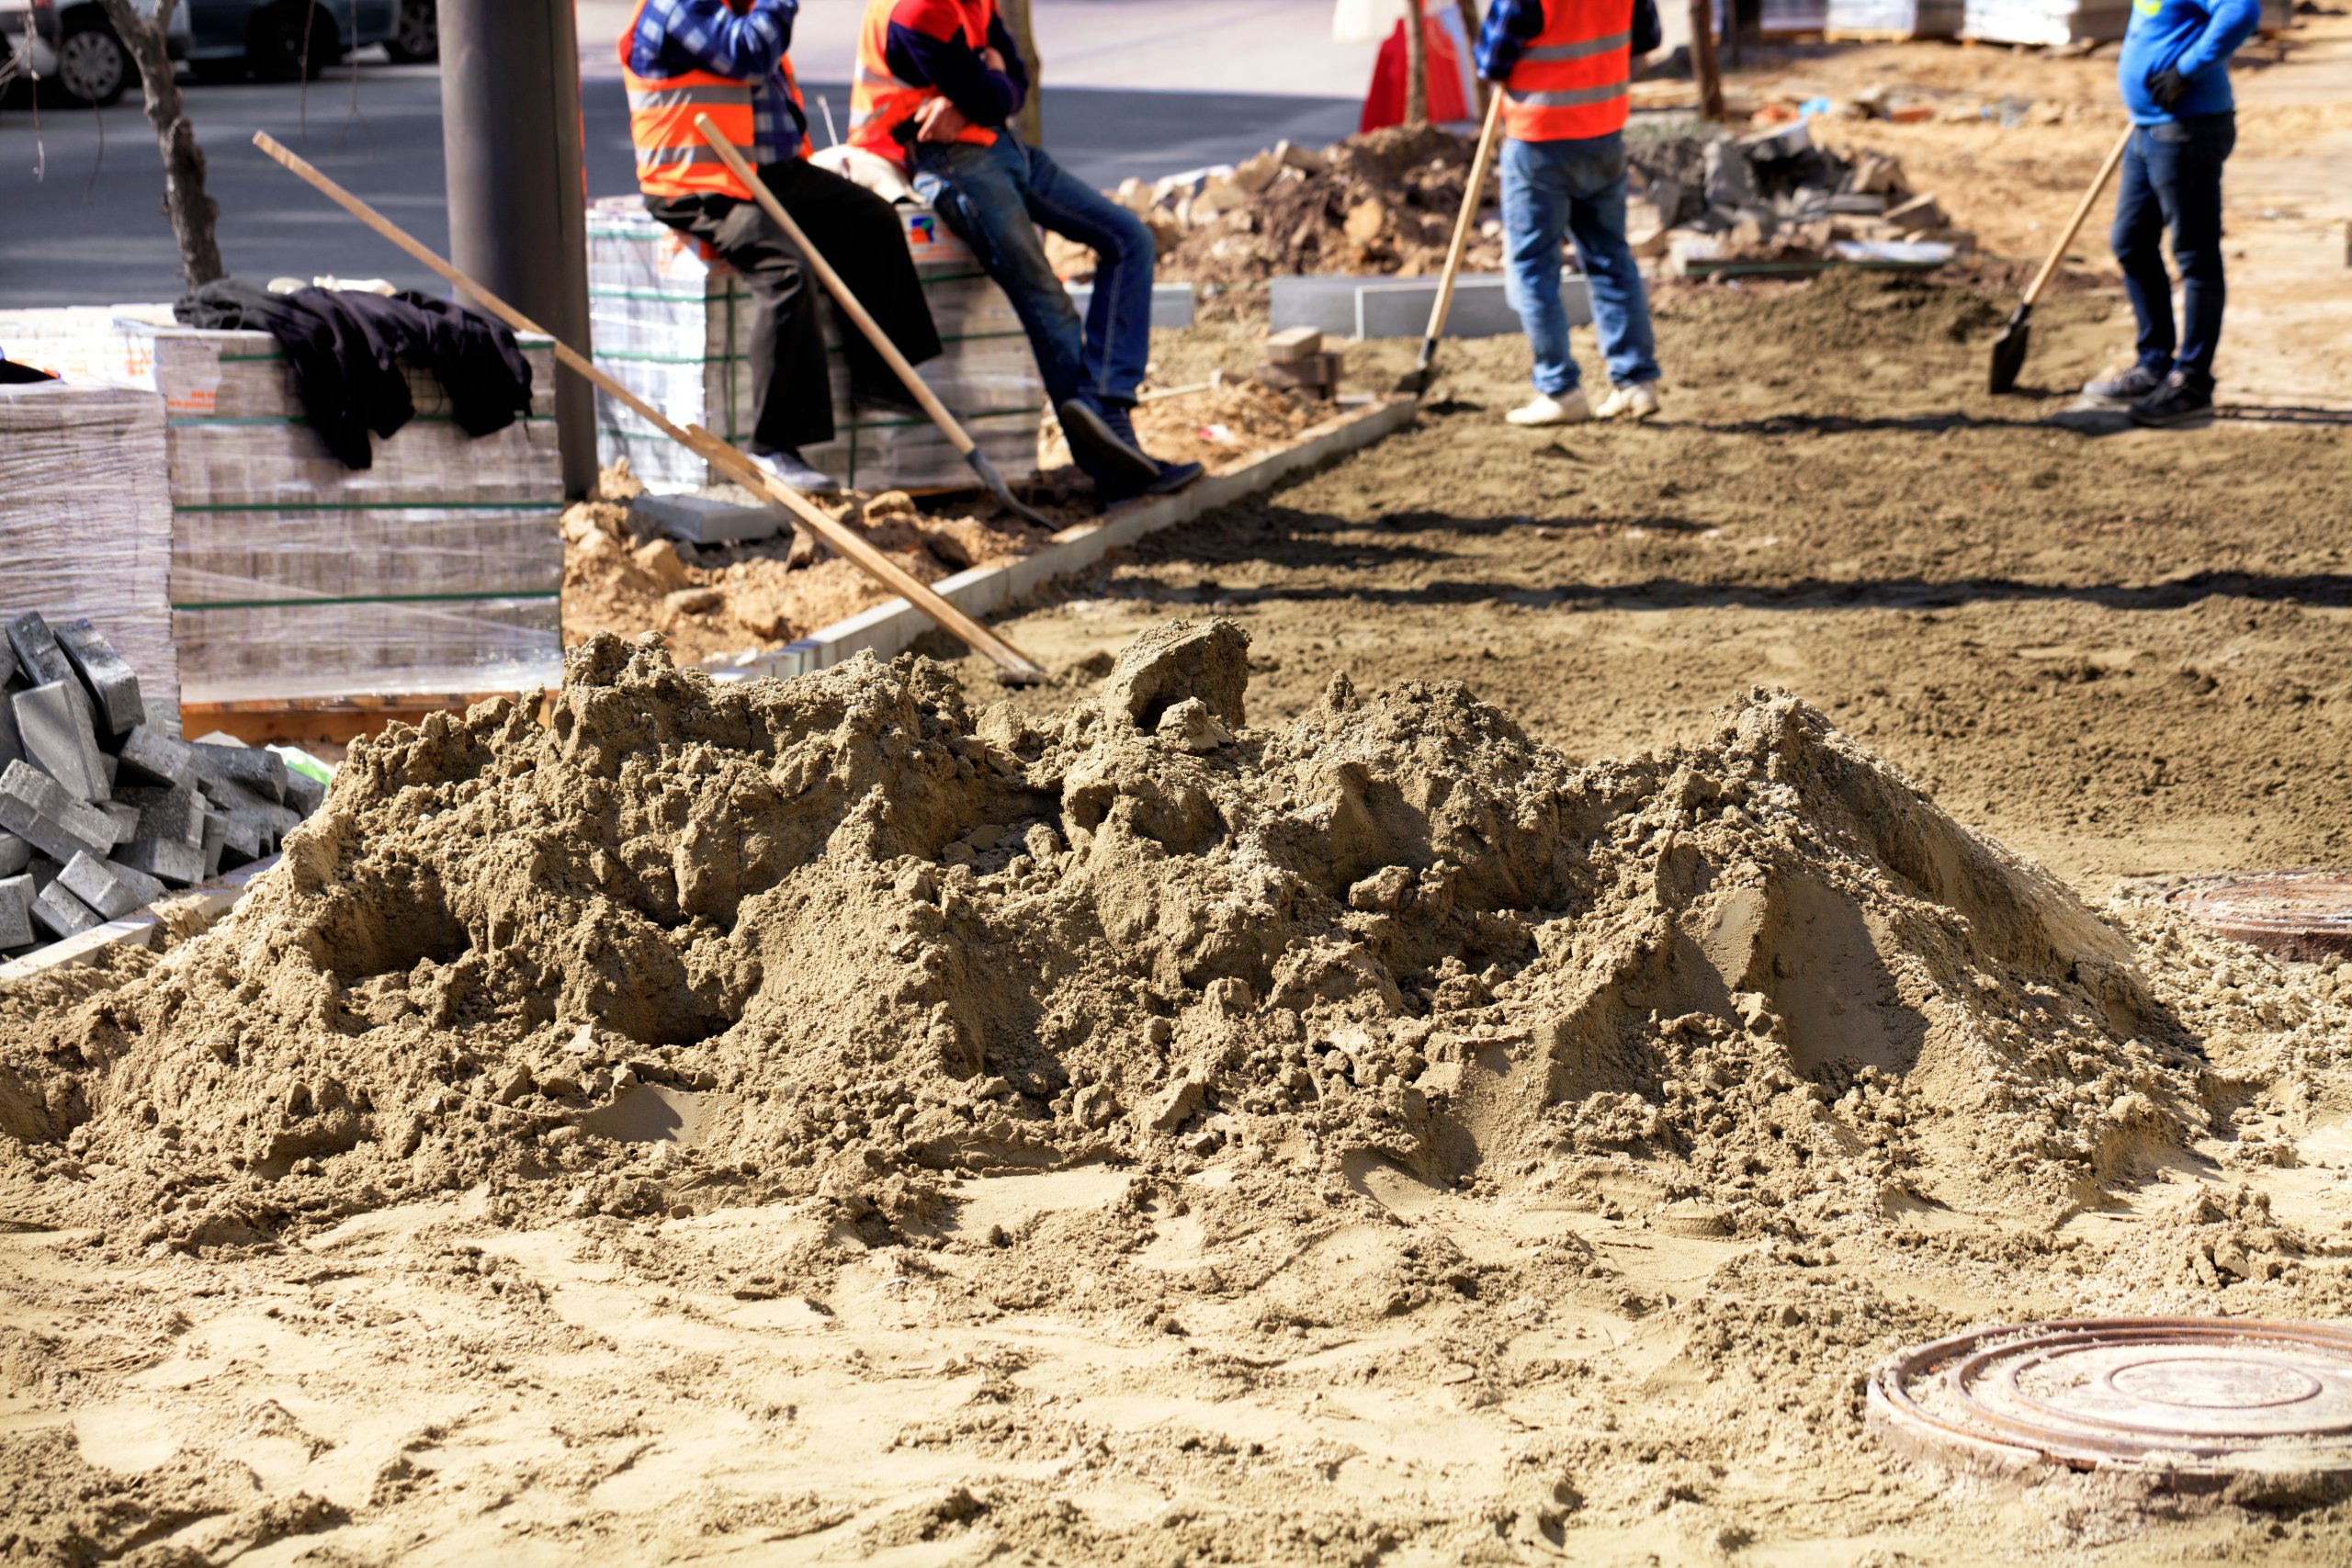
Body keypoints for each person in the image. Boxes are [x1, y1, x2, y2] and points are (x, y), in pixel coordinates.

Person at [849, 0, 1203, 502]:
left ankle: (1107, 400)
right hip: (945, 161)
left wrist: (985, 88)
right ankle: (1115, 466)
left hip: (996, 147)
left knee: (1130, 239)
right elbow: (992, 93)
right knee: (1046, 302)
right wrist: (986, 85)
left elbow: (1012, 83)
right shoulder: (915, 10)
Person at [623, 0, 944, 494]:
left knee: (871, 219)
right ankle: (775, 445)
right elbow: (748, 52)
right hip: (697, 182)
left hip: (765, 173)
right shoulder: (680, 5)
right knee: (785, 272)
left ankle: (886, 380)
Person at [1476, 0, 1664, 427]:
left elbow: (1492, 57)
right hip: (1603, 131)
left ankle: (1559, 388)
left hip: (1540, 137)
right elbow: (1647, 40)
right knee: (1610, 257)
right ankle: (1635, 382)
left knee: (1533, 267)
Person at [2081, 0, 2261, 428]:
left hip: (2187, 129)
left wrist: (2186, 69)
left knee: (2194, 255)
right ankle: (2154, 364)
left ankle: (2192, 383)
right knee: (2130, 242)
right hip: (2147, 128)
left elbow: (2241, 11)